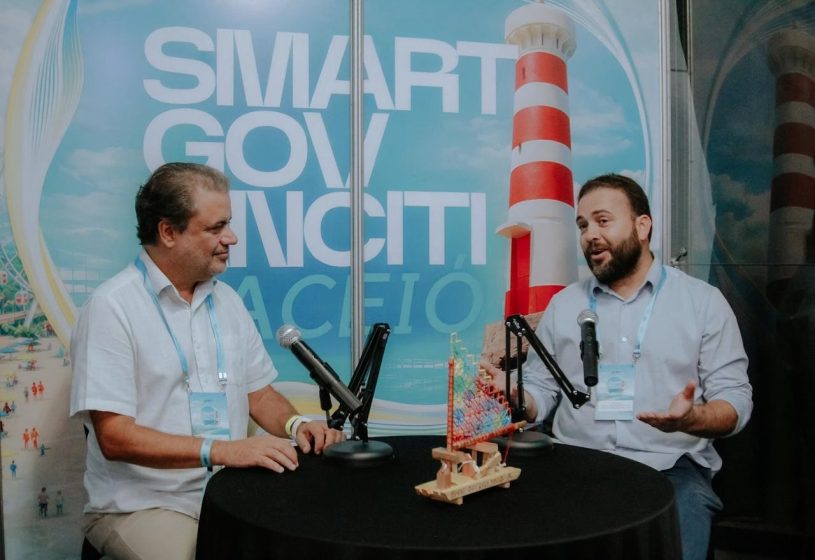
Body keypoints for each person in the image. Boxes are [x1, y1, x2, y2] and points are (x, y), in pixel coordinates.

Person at [69, 162, 345, 560]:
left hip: (228, 493)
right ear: (168, 232)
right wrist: (222, 451)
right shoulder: (111, 307)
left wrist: (297, 425)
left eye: (228, 224)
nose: (231, 238)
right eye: (216, 228)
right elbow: (115, 437)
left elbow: (259, 395)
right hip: (142, 504)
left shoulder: (227, 301)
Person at [489, 174, 753, 560]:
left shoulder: (703, 303)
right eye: (583, 225)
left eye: (603, 221)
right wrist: (519, 396)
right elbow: (542, 391)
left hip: (670, 469)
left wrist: (692, 419)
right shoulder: (564, 306)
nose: (590, 235)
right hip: (575, 462)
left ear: (642, 226)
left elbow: (735, 400)